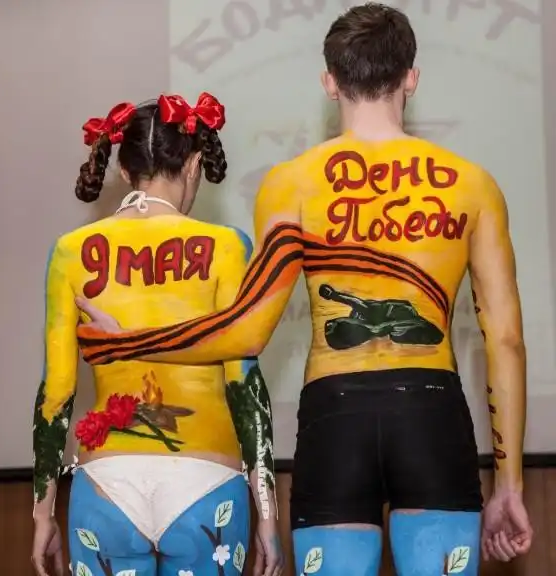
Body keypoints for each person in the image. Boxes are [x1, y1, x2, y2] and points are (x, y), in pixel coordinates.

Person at [73, 4, 534, 575]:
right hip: (431, 415)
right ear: (411, 78)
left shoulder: (291, 183)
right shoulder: (472, 185)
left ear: (330, 82)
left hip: (334, 419)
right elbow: (505, 341)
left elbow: (247, 331)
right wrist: (510, 484)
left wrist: (128, 341)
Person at [31, 92, 283, 576]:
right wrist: (268, 513)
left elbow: (56, 393)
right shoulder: (227, 246)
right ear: (194, 164)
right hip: (206, 481)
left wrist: (42, 513)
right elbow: (245, 387)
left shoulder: (70, 250)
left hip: (107, 482)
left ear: (124, 171)